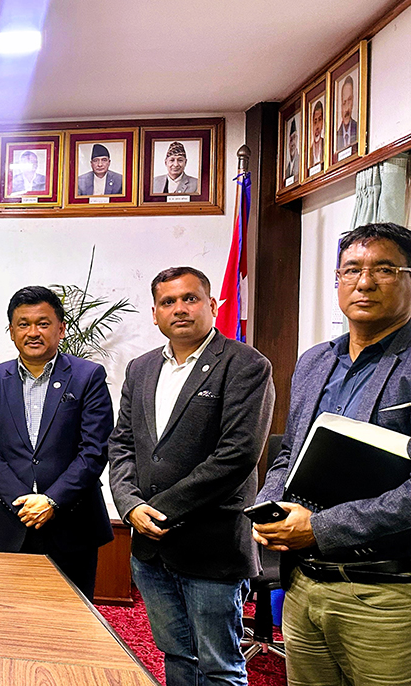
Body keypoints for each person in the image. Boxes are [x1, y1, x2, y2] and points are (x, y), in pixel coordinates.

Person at [253, 222, 411, 684]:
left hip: (390, 592)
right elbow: (289, 453)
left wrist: (319, 528)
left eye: (384, 269)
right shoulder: (315, 361)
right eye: (351, 269)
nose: (364, 282)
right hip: (303, 586)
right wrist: (270, 507)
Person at [108, 266, 274, 686]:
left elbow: (237, 456)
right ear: (155, 313)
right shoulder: (141, 368)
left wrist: (157, 510)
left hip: (211, 545)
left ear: (212, 305)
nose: (179, 309)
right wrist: (129, 505)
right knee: (177, 656)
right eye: (168, 302)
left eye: (190, 298)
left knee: (219, 667)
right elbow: (122, 443)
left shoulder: (245, 364)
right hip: (150, 548)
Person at [0, 286, 114, 598]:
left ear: (61, 329)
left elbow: (95, 449)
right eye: (23, 324)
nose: (33, 332)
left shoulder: (87, 376)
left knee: (72, 615)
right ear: (11, 331)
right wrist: (22, 501)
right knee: (9, 612)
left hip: (72, 522)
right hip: (12, 520)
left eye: (43, 323)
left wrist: (51, 501)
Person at [335, 76, 359, 152]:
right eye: (344, 102)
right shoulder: (336, 137)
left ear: (353, 101)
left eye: (349, 100)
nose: (347, 107)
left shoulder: (358, 129)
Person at [310, 100, 325, 167]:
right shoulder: (309, 151)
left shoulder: (325, 145)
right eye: (315, 122)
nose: (317, 126)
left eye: (319, 120)